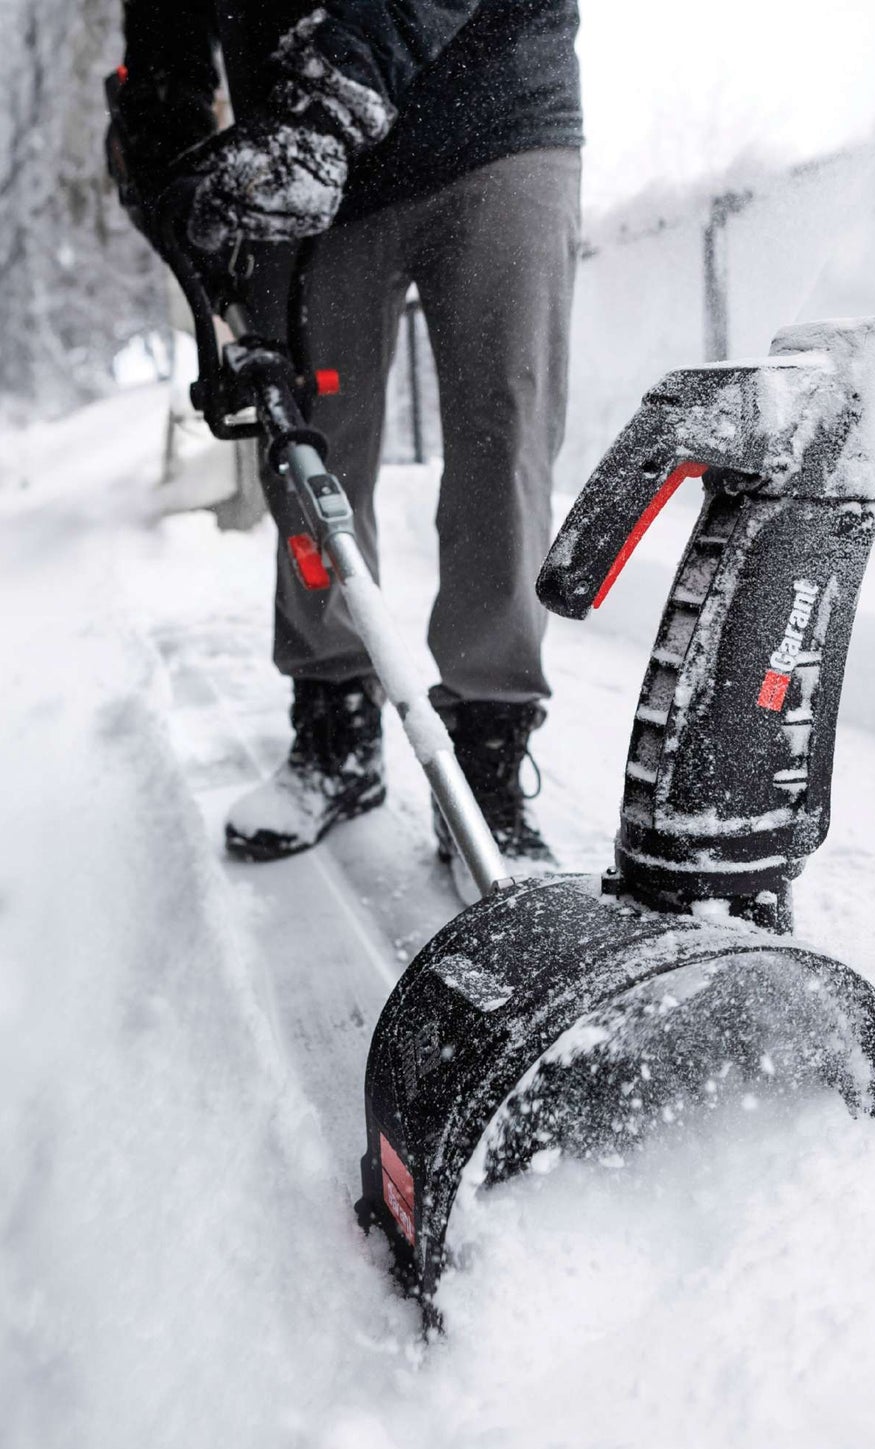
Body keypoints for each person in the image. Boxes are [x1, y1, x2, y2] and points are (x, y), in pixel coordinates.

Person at [111, 1, 582, 884]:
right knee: (308, 452)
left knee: (502, 440)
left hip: (494, 107)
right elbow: (165, 37)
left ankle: (486, 754)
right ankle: (338, 732)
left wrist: (335, 93)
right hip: (295, 164)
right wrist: (172, 172)